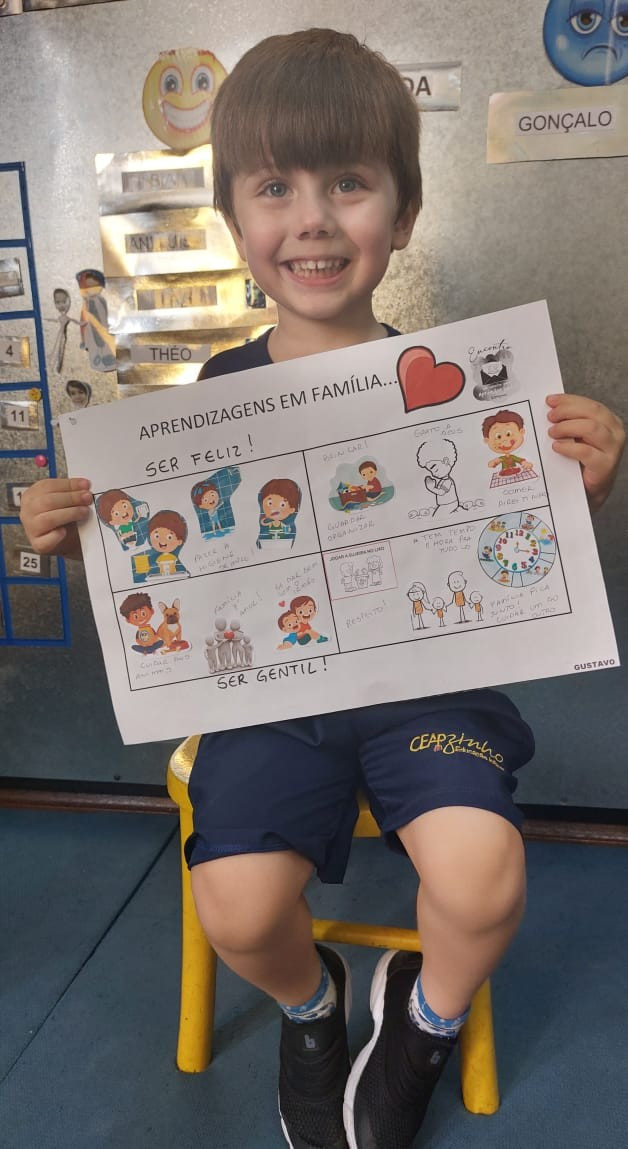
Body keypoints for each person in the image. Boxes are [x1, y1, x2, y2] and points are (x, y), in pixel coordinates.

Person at [18, 28, 626, 1149]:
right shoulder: (206, 396)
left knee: (483, 879)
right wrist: (79, 542)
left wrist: (574, 485)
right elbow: (175, 567)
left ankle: (424, 1023)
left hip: (429, 687)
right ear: (234, 219)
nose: (311, 219)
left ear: (402, 213)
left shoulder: (456, 386)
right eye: (274, 188)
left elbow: (501, 549)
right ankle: (312, 1008)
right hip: (271, 700)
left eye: (347, 183)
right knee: (239, 906)